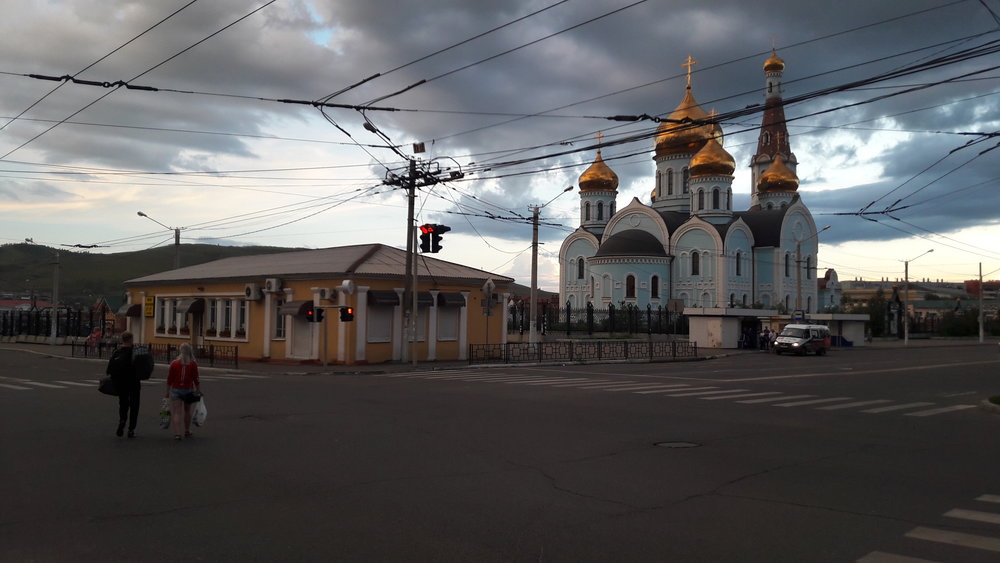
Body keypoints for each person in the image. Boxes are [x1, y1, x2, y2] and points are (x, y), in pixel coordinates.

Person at [106, 331, 141, 438]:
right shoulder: (135, 352)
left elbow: (110, 369)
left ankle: (122, 420)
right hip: (133, 382)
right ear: (130, 339)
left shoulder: (117, 352)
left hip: (120, 383)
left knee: (123, 403)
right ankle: (131, 429)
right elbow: (141, 367)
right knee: (134, 405)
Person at [166, 343, 201, 441]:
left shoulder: (174, 363)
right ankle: (187, 430)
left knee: (177, 412)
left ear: (180, 351)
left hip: (176, 389)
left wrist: (167, 392)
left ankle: (177, 434)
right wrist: (198, 390)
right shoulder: (193, 364)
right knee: (187, 411)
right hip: (188, 390)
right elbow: (196, 379)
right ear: (190, 352)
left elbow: (169, 379)